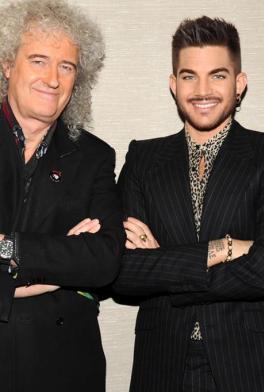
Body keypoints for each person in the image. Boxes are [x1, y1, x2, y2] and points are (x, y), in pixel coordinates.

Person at [113, 16, 264, 392]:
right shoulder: (143, 158)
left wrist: (163, 263)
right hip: (162, 363)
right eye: (188, 76)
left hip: (252, 363)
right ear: (173, 84)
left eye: (217, 75)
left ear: (239, 84)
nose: (202, 90)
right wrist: (226, 248)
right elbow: (123, 273)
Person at [0, 1, 124, 391]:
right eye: (38, 60)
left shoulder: (94, 156)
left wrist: (9, 248)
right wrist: (58, 268)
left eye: (66, 66)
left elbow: (104, 261)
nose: (52, 79)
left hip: (62, 365)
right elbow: (79, 262)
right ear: (7, 65)